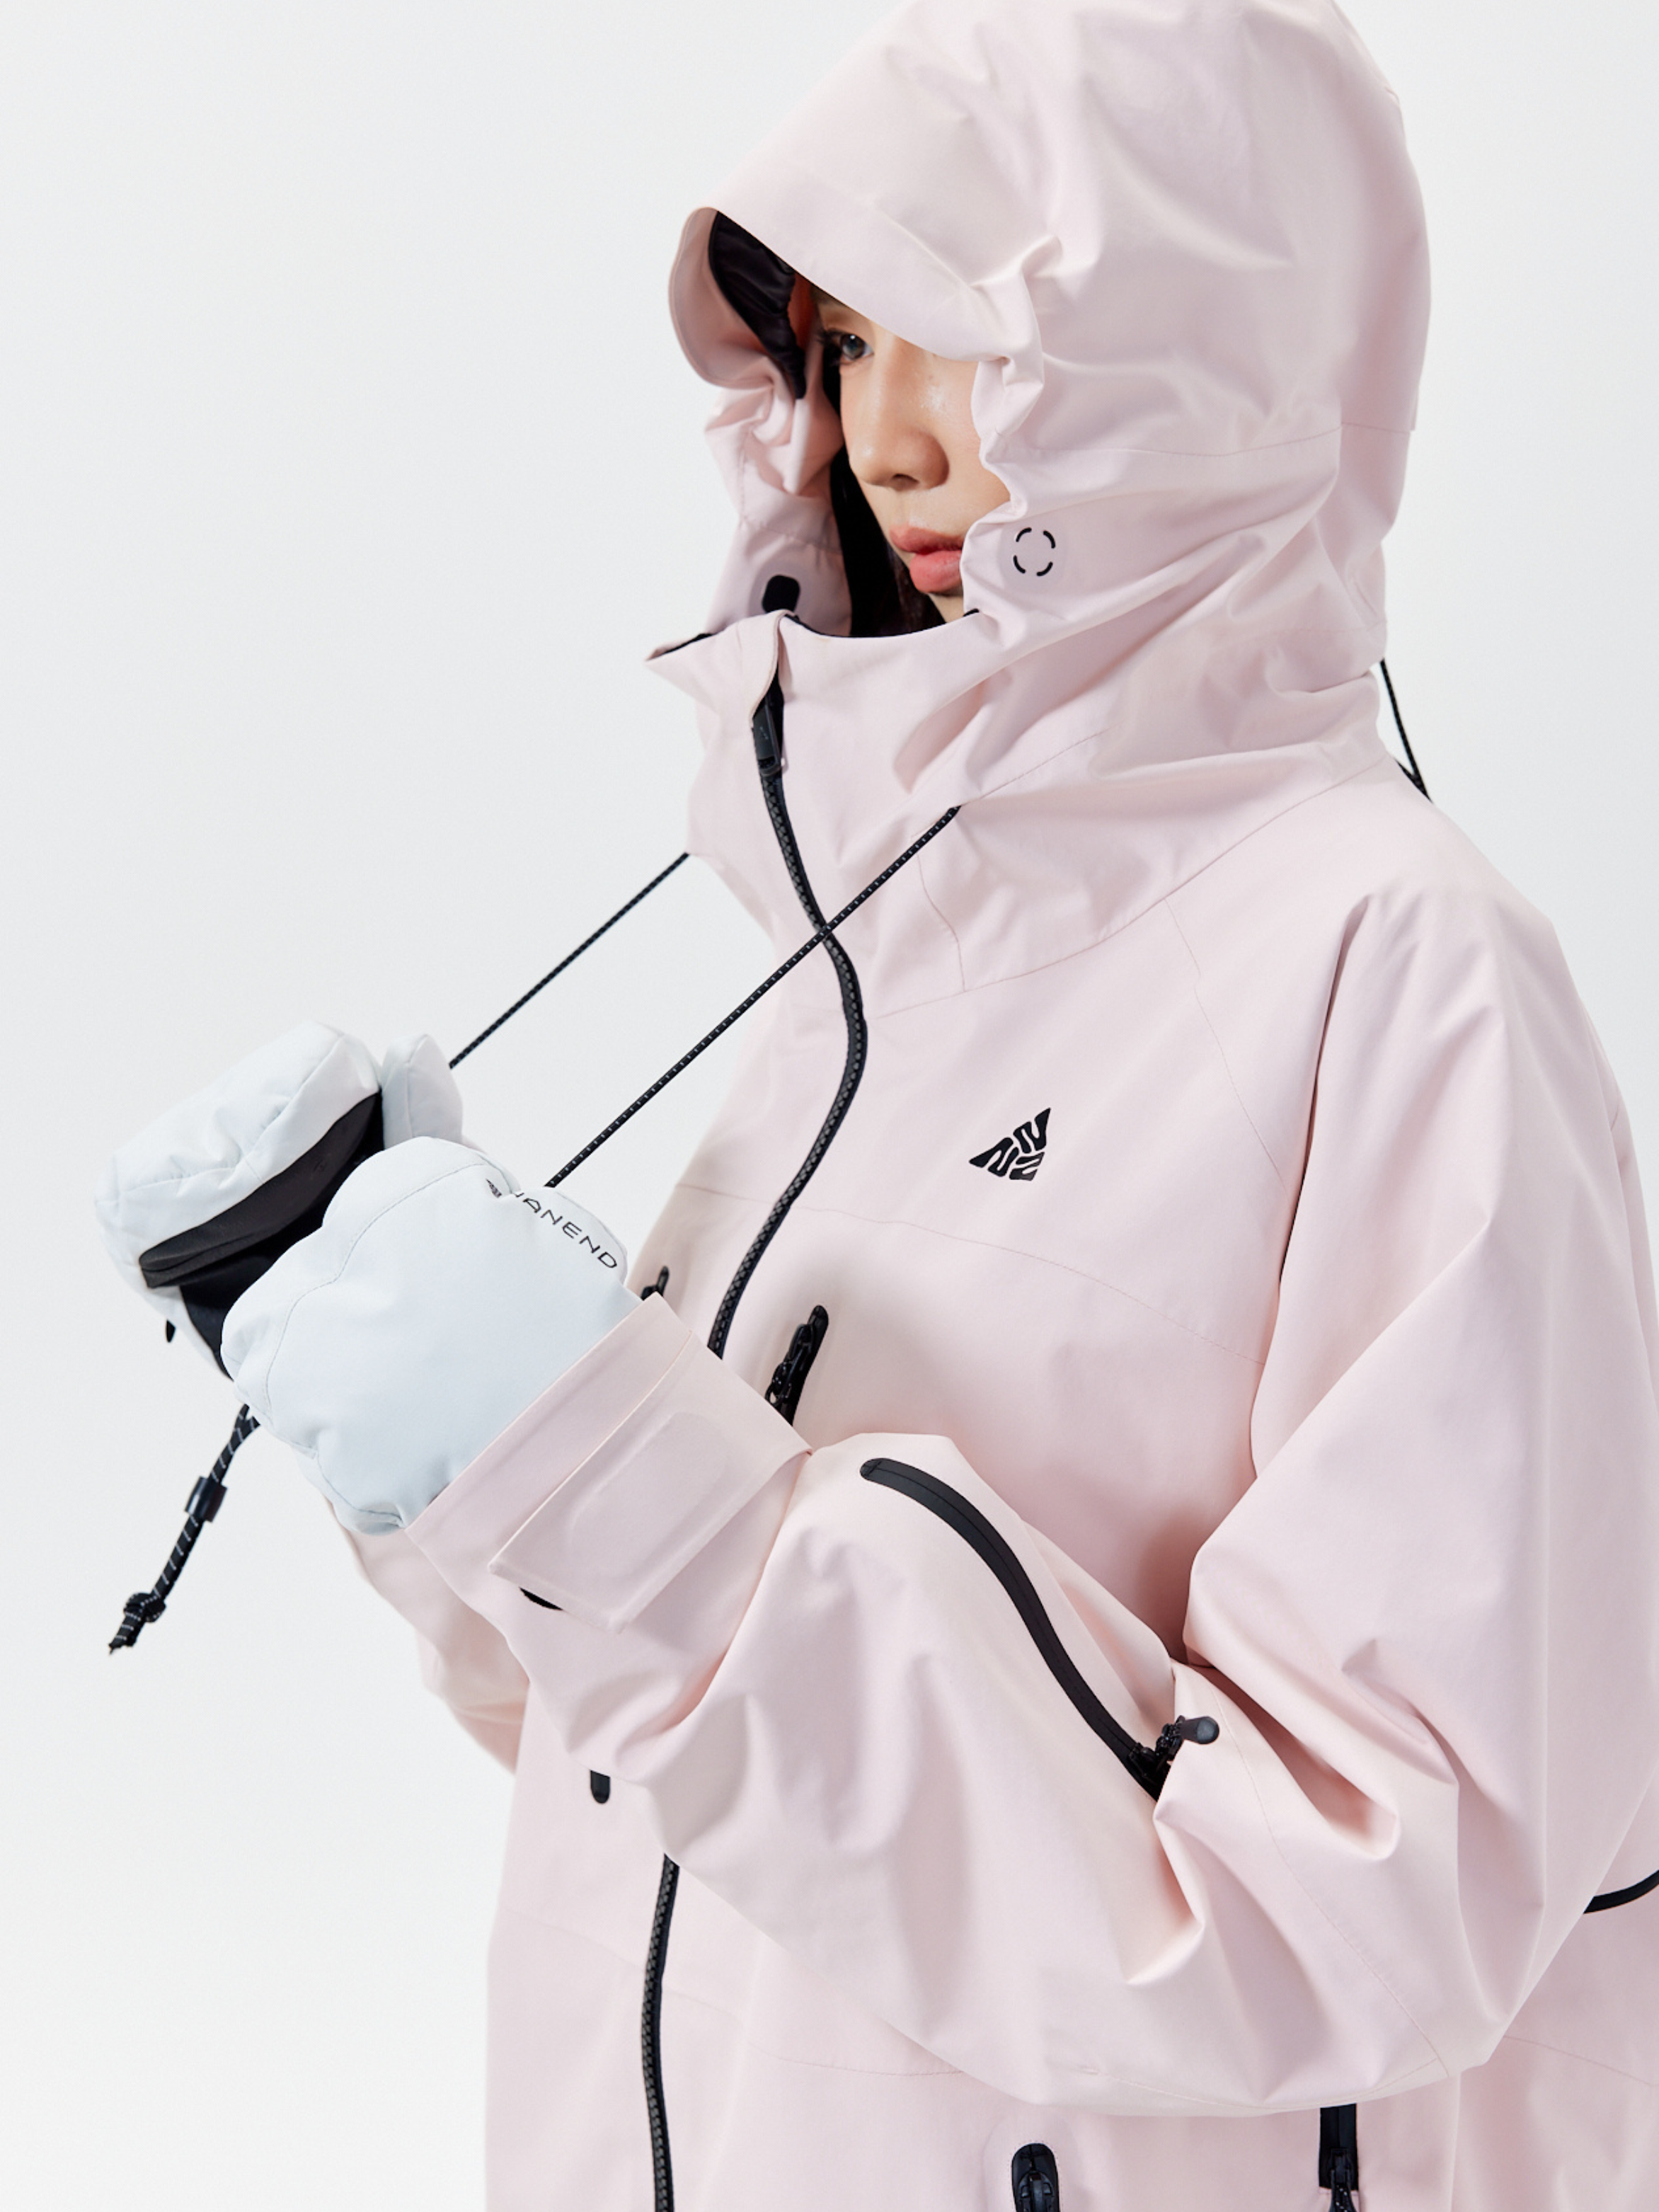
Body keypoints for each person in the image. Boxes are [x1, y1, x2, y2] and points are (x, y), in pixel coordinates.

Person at [96, 1, 1659, 2206]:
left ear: (1214, 356)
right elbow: (685, 1768)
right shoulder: (881, 969)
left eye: (973, 343)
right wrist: (463, 1460)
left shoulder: (1403, 975)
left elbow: (1371, 1897)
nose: (892, 443)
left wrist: (632, 1483)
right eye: (839, 348)